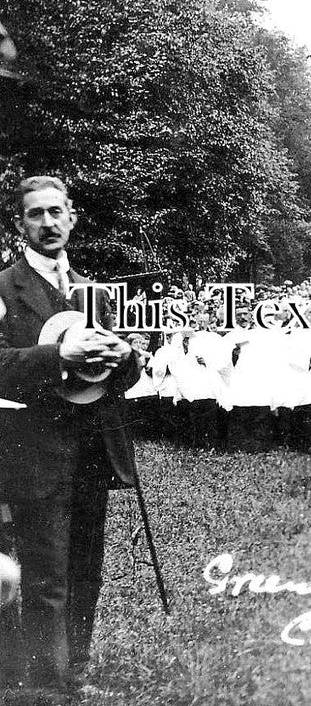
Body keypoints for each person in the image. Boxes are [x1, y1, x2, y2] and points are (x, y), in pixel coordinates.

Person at [0, 176, 141, 694]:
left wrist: (128, 357)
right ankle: (45, 686)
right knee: (46, 573)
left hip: (92, 450)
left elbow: (113, 374)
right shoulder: (4, 288)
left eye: (56, 212)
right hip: (34, 450)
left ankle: (75, 671)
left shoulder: (91, 291)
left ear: (72, 217)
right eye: (35, 214)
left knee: (85, 570)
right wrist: (56, 356)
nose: (47, 223)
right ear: (20, 225)